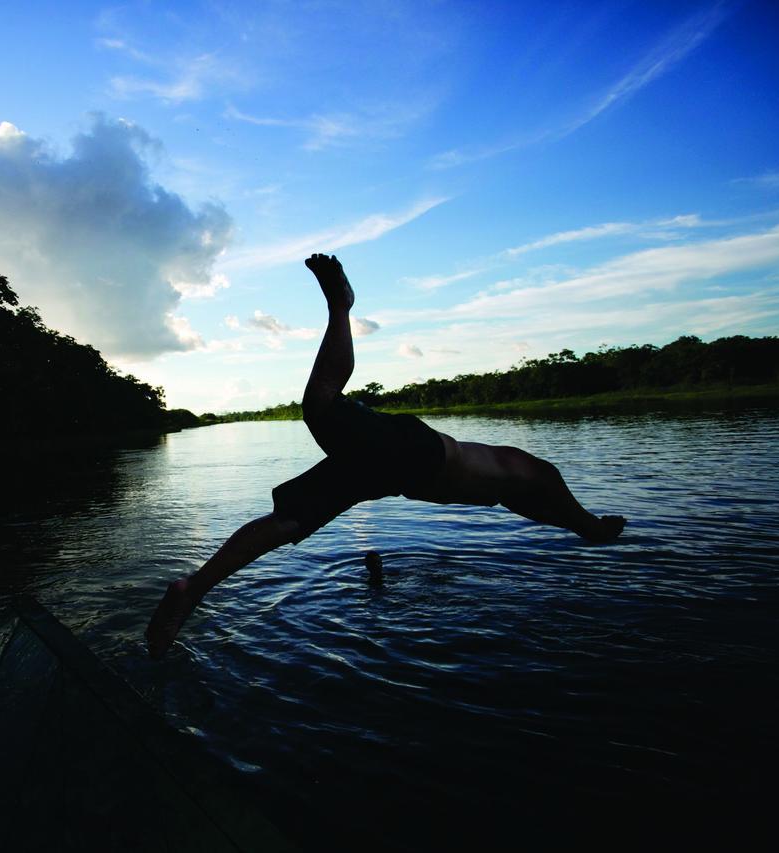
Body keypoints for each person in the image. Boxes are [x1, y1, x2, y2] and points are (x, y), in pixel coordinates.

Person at [145, 253, 625, 660]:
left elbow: (540, 495)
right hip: (399, 466)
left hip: (401, 458)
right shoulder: (517, 479)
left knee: (298, 489)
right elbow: (542, 495)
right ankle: (340, 307)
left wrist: (585, 525)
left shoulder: (517, 476)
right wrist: (587, 526)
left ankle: (197, 585)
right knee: (302, 474)